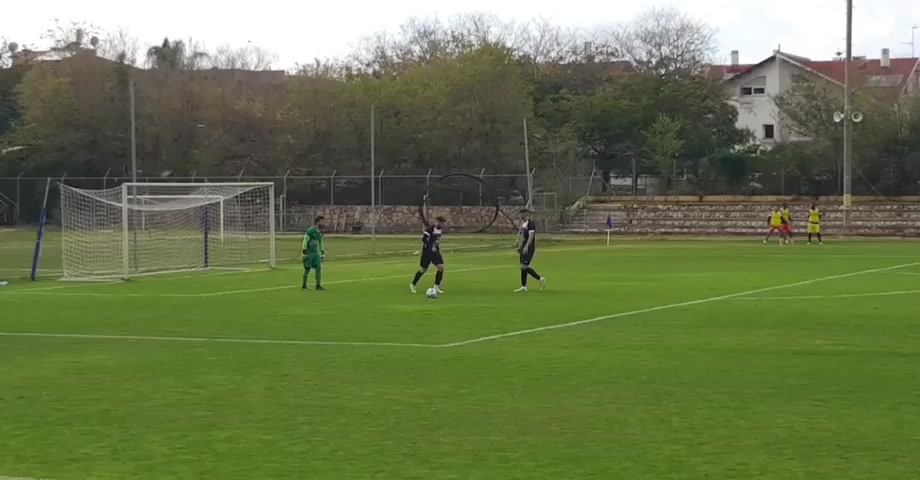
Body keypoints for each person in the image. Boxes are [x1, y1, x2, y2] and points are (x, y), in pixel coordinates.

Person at [410, 216, 446, 294]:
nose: (441, 224)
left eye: (442, 223)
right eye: (440, 222)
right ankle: (413, 284)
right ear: (436, 221)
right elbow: (424, 239)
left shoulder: (440, 230)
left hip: (435, 252)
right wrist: (431, 246)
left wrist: (436, 248)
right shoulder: (430, 229)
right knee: (423, 270)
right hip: (427, 252)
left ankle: (436, 287)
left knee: (441, 267)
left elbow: (436, 241)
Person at [514, 209, 546, 293]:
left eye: (521, 214)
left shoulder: (531, 224)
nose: (520, 216)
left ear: (525, 214)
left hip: (529, 248)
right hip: (524, 247)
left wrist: (526, 247)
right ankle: (524, 286)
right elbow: (524, 237)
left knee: (525, 267)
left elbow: (531, 237)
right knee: (522, 267)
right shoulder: (523, 224)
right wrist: (520, 247)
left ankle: (540, 279)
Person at [302, 216, 326, 291]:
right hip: (309, 252)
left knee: (318, 268)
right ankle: (304, 285)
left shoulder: (321, 232)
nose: (323, 223)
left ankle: (318, 286)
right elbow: (305, 241)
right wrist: (304, 252)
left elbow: (321, 243)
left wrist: (322, 253)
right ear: (317, 222)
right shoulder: (311, 231)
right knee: (307, 269)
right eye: (322, 221)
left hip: (316, 253)